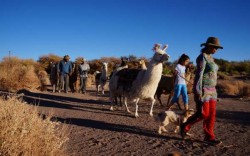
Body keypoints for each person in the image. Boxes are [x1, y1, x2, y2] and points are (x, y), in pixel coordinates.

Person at [180, 37, 223, 146]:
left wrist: (215, 91)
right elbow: (199, 75)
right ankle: (185, 126)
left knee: (212, 115)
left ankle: (209, 137)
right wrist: (198, 91)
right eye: (214, 47)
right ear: (208, 46)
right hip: (203, 89)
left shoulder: (211, 58)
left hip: (212, 90)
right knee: (203, 113)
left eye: (217, 48)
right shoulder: (202, 57)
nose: (215, 50)